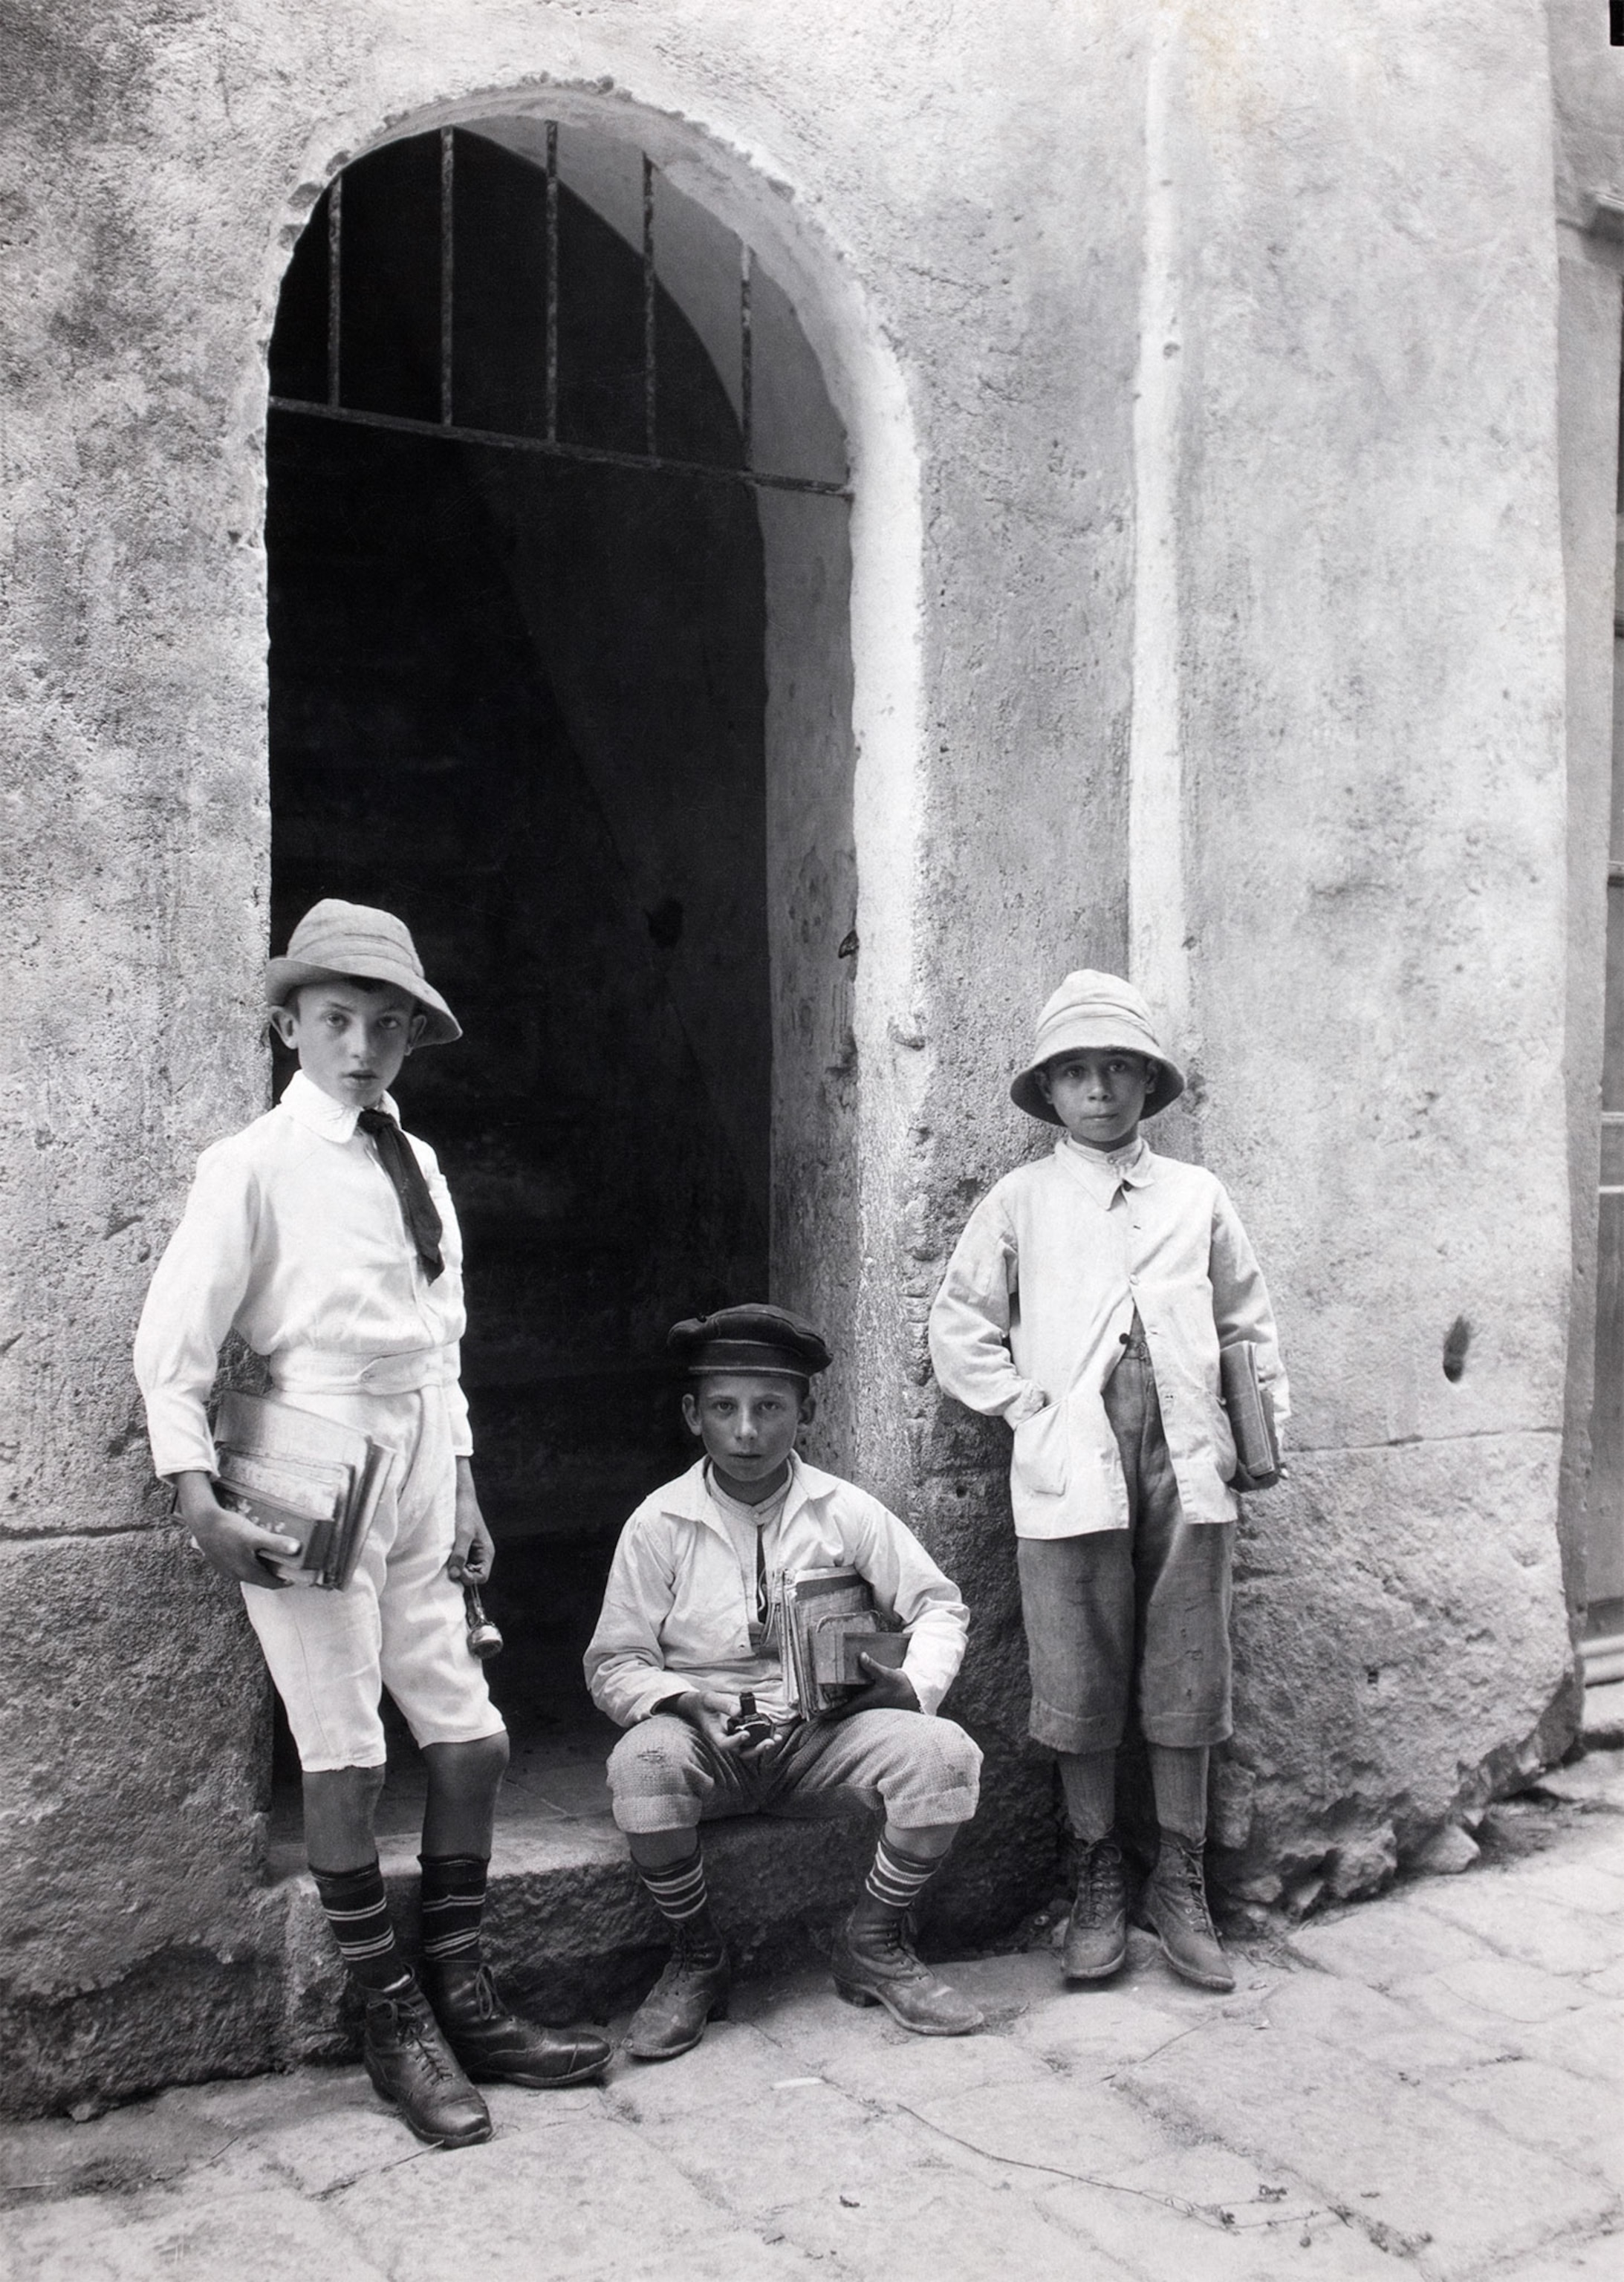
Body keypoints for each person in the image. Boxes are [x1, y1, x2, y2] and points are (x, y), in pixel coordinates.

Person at [134, 900, 609, 2146]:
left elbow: (441, 1338)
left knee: (472, 1735)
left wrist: (459, 1477)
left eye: (386, 1027)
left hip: (409, 1452)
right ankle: (388, 2010)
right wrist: (197, 1492)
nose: (361, 1046)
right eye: (336, 1020)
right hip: (306, 1447)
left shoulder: (420, 1163)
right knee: (344, 1746)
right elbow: (176, 1342)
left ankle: (465, 1984)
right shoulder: (252, 1165)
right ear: (289, 1023)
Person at [928, 970, 1288, 1995]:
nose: (1099, 1092)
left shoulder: (1194, 1197)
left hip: (1185, 1457)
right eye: (1077, 1074)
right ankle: (1092, 1873)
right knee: (1076, 1669)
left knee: (1187, 1665)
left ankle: (1177, 1878)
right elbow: (959, 1324)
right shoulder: (1022, 1201)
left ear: (1146, 1083)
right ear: (1049, 1091)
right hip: (1070, 1461)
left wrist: (1248, 1435)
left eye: (1118, 1070)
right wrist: (1021, 1404)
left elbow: (1245, 1326)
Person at [585, 1304, 986, 2061]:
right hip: (710, 1740)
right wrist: (678, 1701)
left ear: (805, 1413)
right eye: (723, 1409)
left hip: (823, 1738)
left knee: (945, 1756)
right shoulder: (658, 1524)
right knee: (642, 1764)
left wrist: (911, 1687)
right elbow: (615, 1664)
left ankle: (871, 1939)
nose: (746, 1432)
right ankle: (697, 1956)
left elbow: (939, 1607)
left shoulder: (845, 1511)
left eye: (769, 1407)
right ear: (691, 1416)